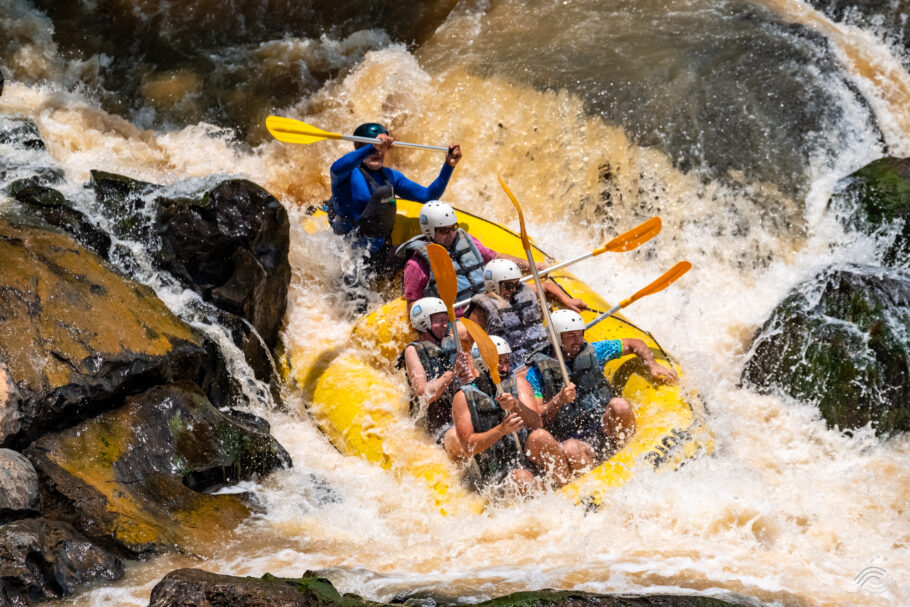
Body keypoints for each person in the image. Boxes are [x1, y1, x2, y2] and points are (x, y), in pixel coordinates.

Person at [518, 309, 679, 475]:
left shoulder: (595, 350)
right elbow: (538, 417)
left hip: (603, 426)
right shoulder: (536, 374)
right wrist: (559, 400)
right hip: (571, 439)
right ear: (557, 338)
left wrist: (653, 365)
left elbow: (634, 343)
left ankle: (635, 456)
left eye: (580, 334)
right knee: (572, 448)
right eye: (571, 335)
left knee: (620, 405)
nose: (578, 340)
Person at [329, 123, 462, 271]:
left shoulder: (391, 176)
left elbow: (428, 196)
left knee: (424, 257)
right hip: (349, 257)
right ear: (359, 147)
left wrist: (448, 166)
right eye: (372, 145)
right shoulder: (347, 174)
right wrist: (372, 148)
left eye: (381, 147)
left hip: (380, 253)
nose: (378, 152)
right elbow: (336, 168)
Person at [458, 335, 573, 490]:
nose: (505, 368)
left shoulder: (518, 382)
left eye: (506, 361)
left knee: (540, 436)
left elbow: (537, 423)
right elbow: (467, 448)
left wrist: (516, 405)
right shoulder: (463, 397)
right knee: (522, 478)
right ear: (482, 363)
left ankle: (569, 490)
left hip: (523, 458)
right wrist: (500, 430)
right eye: (499, 362)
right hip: (495, 472)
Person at [398, 200, 532, 316]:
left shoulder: (465, 240)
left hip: (489, 301)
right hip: (461, 318)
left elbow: (494, 257)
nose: (451, 234)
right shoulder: (416, 265)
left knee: (544, 287)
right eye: (445, 230)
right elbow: (413, 304)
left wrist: (531, 266)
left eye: (454, 227)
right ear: (430, 231)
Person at [468, 258, 587, 371]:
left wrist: (566, 300)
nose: (514, 289)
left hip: (544, 355)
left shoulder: (522, 291)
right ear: (493, 284)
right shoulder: (481, 310)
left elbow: (547, 286)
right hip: (517, 366)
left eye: (516, 284)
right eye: (509, 286)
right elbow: (472, 348)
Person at [397, 296, 473, 455]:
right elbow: (424, 394)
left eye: (446, 320)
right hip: (440, 424)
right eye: (439, 320)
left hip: (464, 413)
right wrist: (453, 372)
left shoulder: (453, 343)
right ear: (423, 322)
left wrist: (470, 378)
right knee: (457, 437)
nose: (445, 325)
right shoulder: (413, 350)